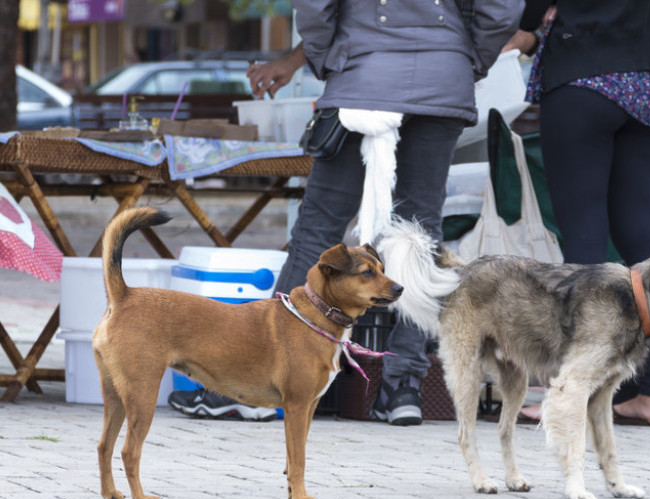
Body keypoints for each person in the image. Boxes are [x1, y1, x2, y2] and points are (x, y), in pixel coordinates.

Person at [171, 1, 523, 425]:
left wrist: (329, 58)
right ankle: (403, 387)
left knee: (318, 231)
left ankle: (264, 383)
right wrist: (461, 58)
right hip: (442, 82)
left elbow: (318, 7)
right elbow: (503, 8)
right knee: (419, 235)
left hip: (362, 81)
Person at [511, 0, 650, 427]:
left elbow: (528, 10)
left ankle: (575, 392)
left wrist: (530, 24)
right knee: (640, 233)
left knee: (583, 238)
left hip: (584, 74)